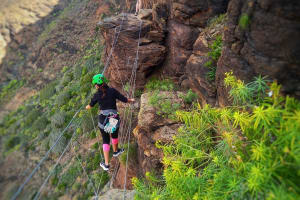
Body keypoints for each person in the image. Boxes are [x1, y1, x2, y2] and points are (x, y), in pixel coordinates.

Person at [86, 74, 135, 171]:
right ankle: (116, 151)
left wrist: (87, 107)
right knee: (114, 135)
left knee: (105, 140)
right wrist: (131, 100)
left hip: (102, 120)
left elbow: (90, 106)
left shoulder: (97, 95)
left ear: (96, 85)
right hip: (112, 118)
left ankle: (106, 164)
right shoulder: (112, 91)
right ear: (104, 82)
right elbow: (124, 99)